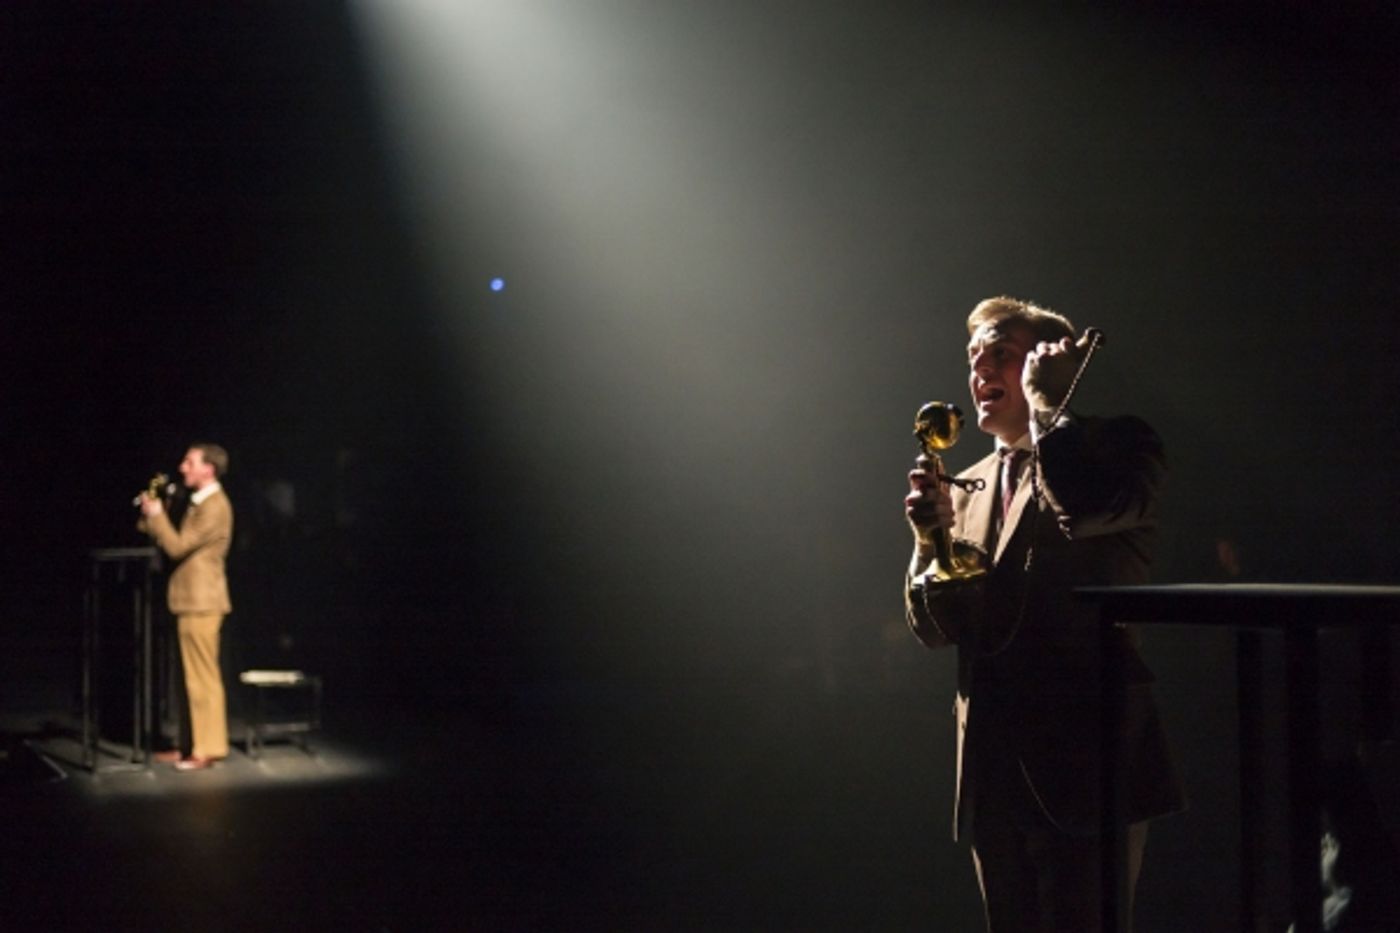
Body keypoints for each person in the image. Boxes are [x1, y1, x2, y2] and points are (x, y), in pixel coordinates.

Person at [903, 297, 1184, 930]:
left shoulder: (1121, 445)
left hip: (1090, 763)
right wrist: (929, 543)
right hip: (992, 772)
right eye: (974, 357)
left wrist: (1050, 408)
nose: (980, 370)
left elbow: (1083, 510)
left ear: (1048, 363)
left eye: (1000, 352)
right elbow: (935, 627)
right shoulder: (966, 484)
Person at [138, 443, 235, 771]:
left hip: (202, 601)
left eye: (189, 462)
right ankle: (188, 744)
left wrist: (158, 517)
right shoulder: (195, 502)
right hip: (189, 600)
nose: (182, 468)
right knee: (186, 679)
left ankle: (208, 749)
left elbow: (178, 546)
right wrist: (154, 512)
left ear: (209, 469)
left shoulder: (215, 506)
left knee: (202, 678)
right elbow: (160, 534)